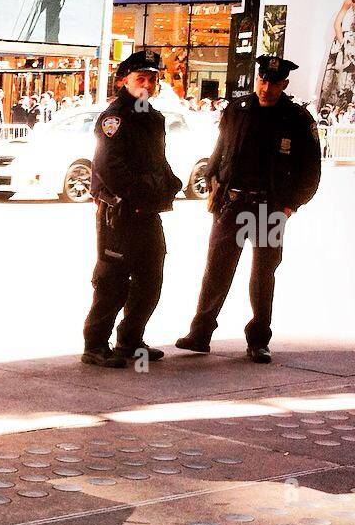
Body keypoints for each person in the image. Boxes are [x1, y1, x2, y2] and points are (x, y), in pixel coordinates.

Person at [176, 55, 322, 364]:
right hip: (232, 203)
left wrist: (289, 206)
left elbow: (310, 170)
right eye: (262, 80)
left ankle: (258, 340)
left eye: (273, 83)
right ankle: (200, 334)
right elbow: (220, 152)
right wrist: (213, 186)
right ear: (257, 79)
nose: (266, 87)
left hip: (269, 207)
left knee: (262, 275)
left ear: (284, 84)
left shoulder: (296, 118)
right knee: (216, 270)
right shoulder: (237, 110)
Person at [82, 50, 183, 369]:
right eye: (141, 78)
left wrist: (170, 183)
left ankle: (130, 339)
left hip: (147, 211)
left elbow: (157, 160)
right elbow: (109, 166)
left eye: (152, 78)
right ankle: (96, 344)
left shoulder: (152, 117)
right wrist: (143, 191)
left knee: (151, 277)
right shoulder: (114, 117)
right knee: (112, 280)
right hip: (120, 212)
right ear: (124, 80)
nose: (148, 84)